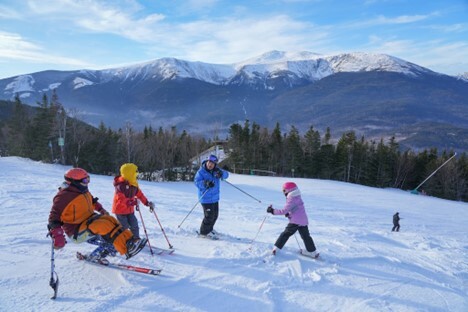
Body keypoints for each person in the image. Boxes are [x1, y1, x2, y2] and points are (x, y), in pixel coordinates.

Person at [47, 168, 147, 260]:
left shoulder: (81, 190)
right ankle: (126, 249)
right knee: (104, 225)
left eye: (88, 179)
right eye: (85, 181)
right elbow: (53, 217)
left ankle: (129, 241)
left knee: (110, 219)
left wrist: (101, 210)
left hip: (87, 221)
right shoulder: (63, 196)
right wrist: (58, 235)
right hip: (76, 231)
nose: (87, 183)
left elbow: (92, 201)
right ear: (74, 182)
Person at [267, 182, 319, 258]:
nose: (283, 192)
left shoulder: (291, 198)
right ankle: (312, 252)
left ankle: (276, 249)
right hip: (303, 220)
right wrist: (290, 214)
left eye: (284, 190)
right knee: (306, 236)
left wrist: (272, 211)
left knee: (285, 234)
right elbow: (297, 209)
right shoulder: (297, 196)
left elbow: (283, 211)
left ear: (288, 190)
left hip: (295, 221)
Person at [112, 163, 155, 241]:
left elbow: (140, 194)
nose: (136, 174)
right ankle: (124, 240)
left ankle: (136, 238)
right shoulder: (120, 186)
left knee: (134, 224)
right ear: (129, 173)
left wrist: (146, 203)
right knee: (124, 226)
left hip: (129, 210)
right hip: (120, 210)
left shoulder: (133, 183)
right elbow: (121, 200)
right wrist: (131, 203)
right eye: (135, 173)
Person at [194, 154, 229, 239]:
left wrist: (221, 173)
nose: (210, 165)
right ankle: (203, 233)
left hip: (215, 198)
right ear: (207, 161)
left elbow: (226, 175)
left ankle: (209, 229)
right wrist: (205, 183)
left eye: (213, 163)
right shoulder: (201, 172)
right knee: (209, 216)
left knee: (215, 216)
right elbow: (196, 182)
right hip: (206, 198)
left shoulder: (216, 170)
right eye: (209, 162)